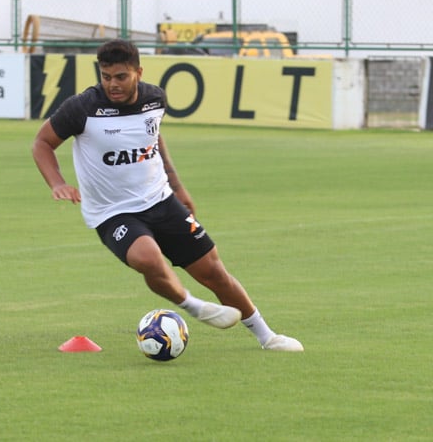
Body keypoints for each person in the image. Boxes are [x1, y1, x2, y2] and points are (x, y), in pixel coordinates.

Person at [31, 39, 302, 351]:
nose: (112, 85)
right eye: (106, 77)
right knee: (147, 257)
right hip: (112, 211)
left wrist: (178, 186)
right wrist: (57, 183)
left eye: (121, 77)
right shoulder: (82, 108)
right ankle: (195, 307)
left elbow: (154, 138)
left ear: (138, 72)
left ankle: (268, 337)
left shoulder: (154, 98)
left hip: (160, 199)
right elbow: (41, 143)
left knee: (214, 271)